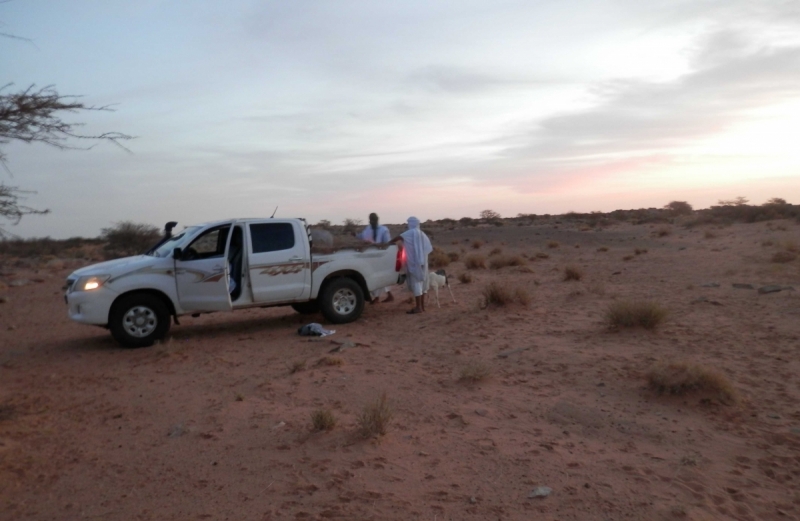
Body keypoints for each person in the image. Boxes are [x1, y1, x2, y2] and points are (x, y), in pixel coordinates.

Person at [389, 216, 432, 314]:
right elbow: (428, 249)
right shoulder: (422, 234)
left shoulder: (410, 232)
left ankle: (418, 307)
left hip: (414, 262)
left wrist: (388, 243)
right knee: (422, 283)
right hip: (423, 262)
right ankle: (422, 306)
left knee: (416, 283)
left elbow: (398, 237)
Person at [356, 213, 394, 303]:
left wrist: (375, 245)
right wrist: (355, 235)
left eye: (374, 219)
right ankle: (386, 295)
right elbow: (362, 236)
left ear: (377, 220)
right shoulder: (367, 229)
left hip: (381, 256)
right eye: (371, 220)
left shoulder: (383, 230)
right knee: (374, 275)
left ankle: (378, 298)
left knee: (379, 276)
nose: (372, 221)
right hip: (370, 256)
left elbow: (387, 243)